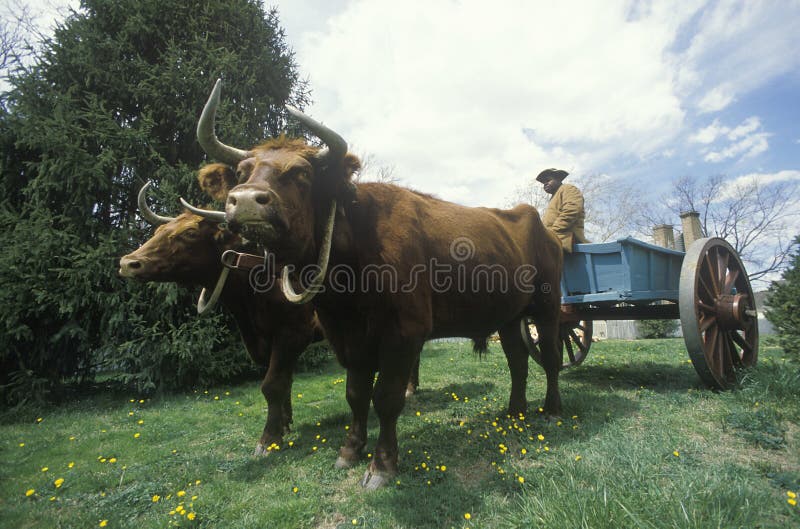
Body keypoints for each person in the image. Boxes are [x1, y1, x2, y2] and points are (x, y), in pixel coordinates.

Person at [536, 168, 588, 252]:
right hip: (552, 241)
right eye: (543, 183)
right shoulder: (554, 197)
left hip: (565, 240)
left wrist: (552, 232)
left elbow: (572, 209)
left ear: (558, 179)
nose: (545, 184)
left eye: (548, 180)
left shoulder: (568, 188)